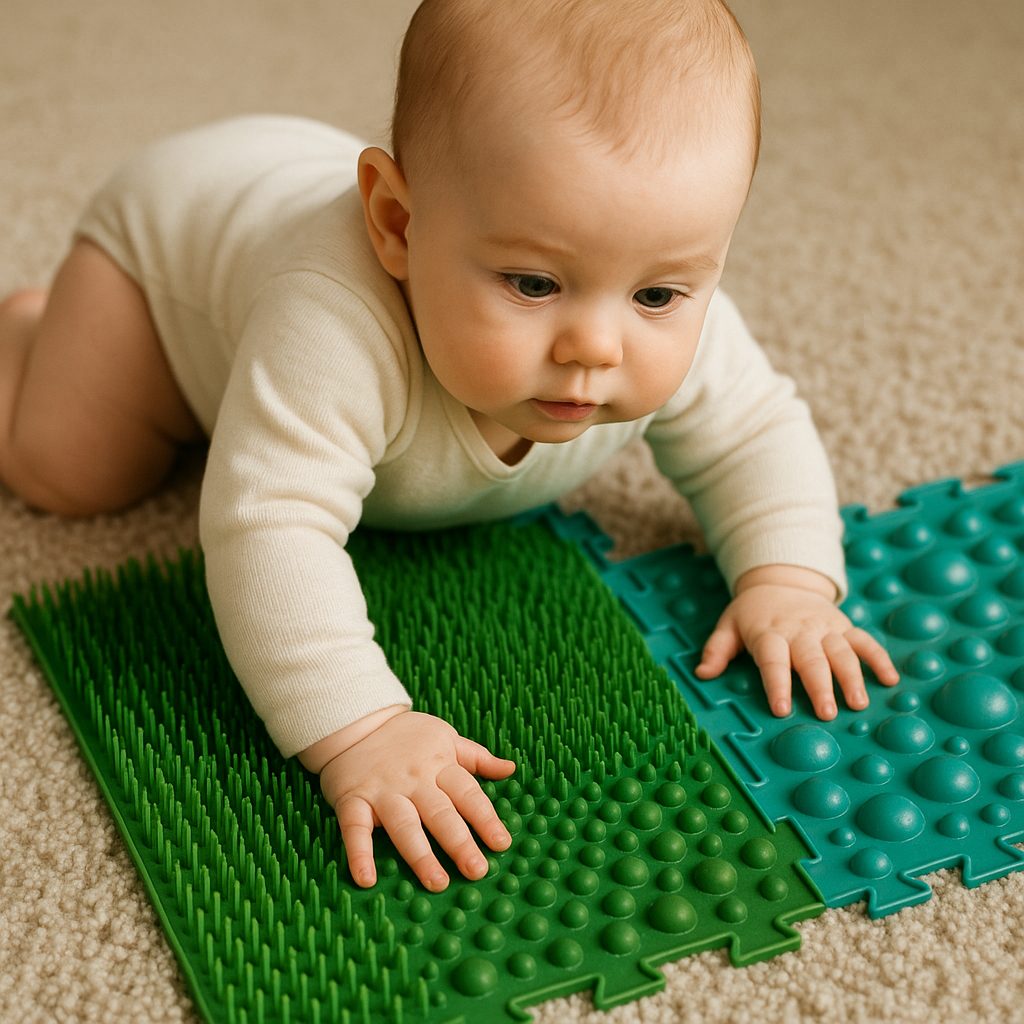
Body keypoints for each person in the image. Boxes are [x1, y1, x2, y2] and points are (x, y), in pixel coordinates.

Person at [0, 0, 898, 893]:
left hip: (323, 191)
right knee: (73, 473)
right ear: (396, 225)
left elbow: (753, 428)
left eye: (659, 296)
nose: (598, 345)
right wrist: (359, 727)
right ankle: (32, 328)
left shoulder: (649, 289)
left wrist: (787, 578)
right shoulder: (331, 322)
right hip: (164, 252)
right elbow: (265, 526)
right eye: (536, 283)